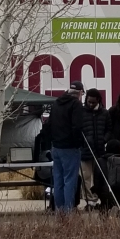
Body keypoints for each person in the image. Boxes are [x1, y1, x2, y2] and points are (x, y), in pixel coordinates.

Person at [44, 80, 84, 212]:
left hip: (56, 147)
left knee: (58, 180)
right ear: (79, 93)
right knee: (70, 181)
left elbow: (49, 125)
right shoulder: (76, 104)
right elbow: (77, 126)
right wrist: (78, 143)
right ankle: (68, 212)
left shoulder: (56, 103)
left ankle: (59, 211)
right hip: (70, 148)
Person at [79, 88, 109, 209]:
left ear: (98, 101)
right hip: (85, 150)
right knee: (86, 177)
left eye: (93, 102)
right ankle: (90, 201)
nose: (90, 104)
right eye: (89, 102)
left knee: (99, 177)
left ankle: (100, 198)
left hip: (100, 151)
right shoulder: (81, 112)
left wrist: (104, 140)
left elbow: (109, 129)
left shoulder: (105, 113)